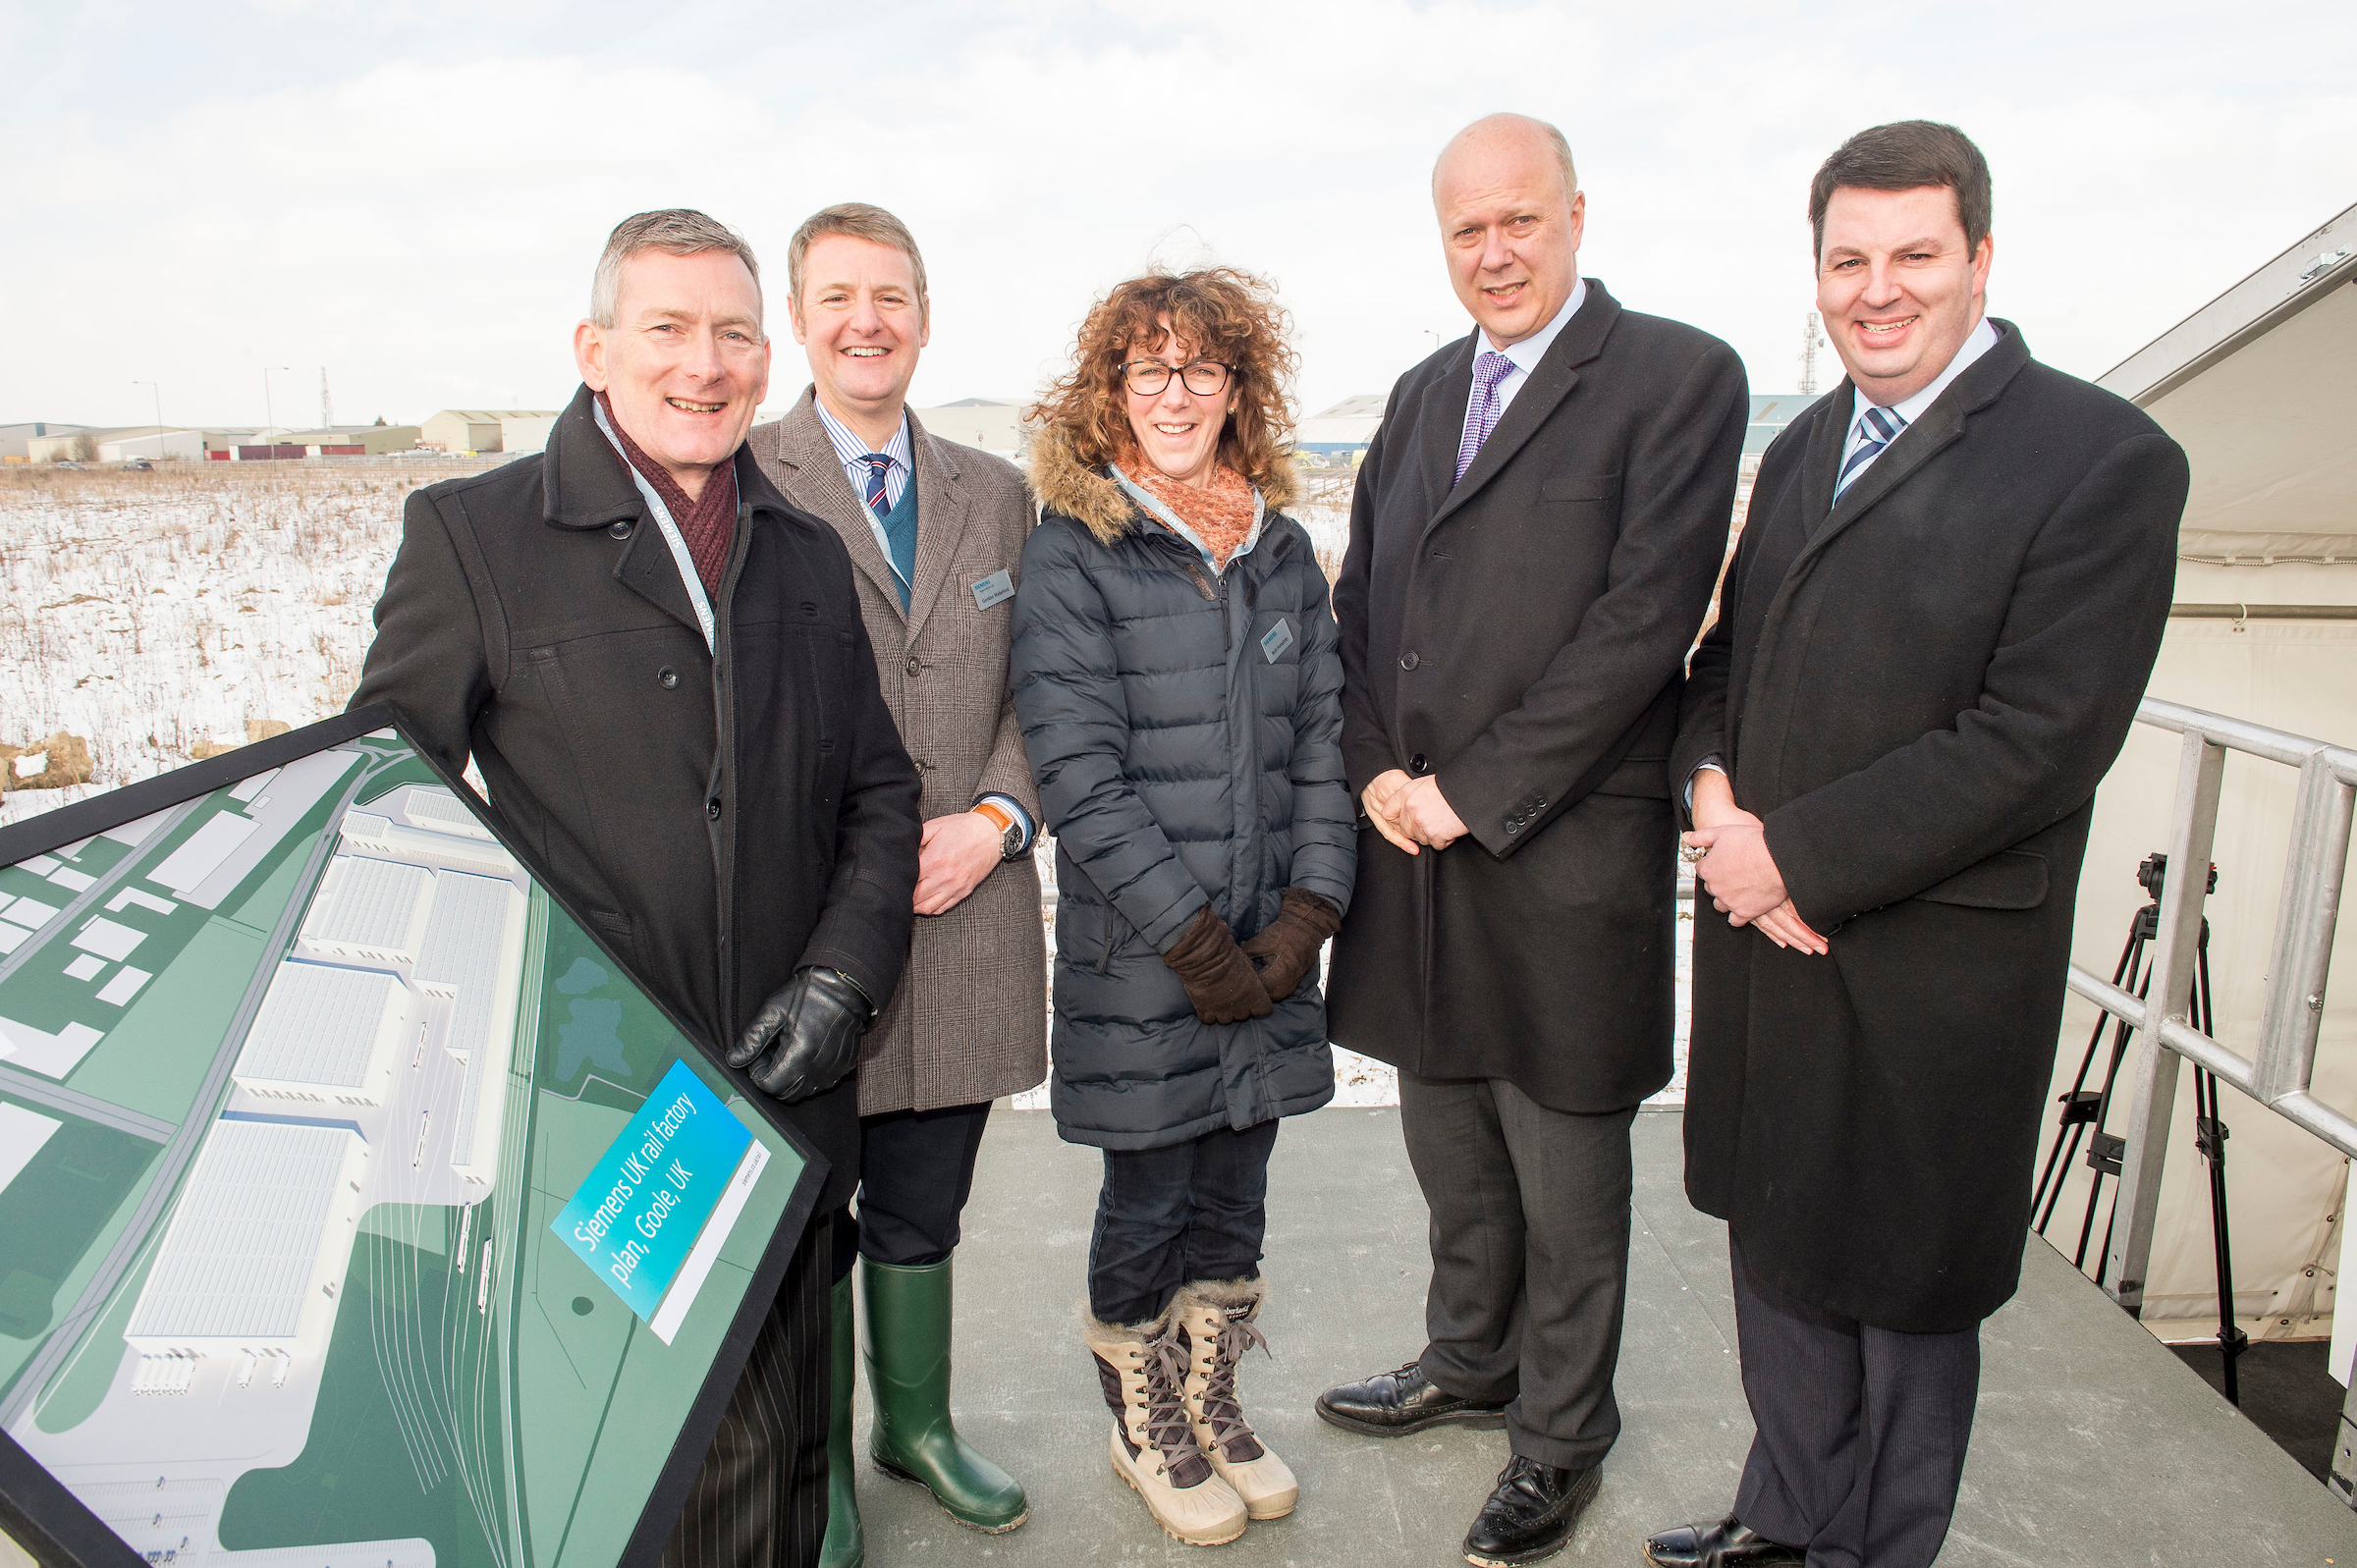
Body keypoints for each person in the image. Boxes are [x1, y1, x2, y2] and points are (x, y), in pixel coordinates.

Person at [1646, 122, 2186, 1568]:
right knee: (1778, 1249)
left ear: (1980, 260)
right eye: (1848, 260)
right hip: (1769, 935)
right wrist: (1712, 797)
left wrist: (1792, 857)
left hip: (1932, 962)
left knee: (1904, 1287)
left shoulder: (2104, 458)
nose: (1877, 290)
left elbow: (2040, 737)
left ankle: (1872, 1550)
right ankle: (1786, 1517)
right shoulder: (1806, 443)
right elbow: (1724, 662)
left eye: (1914, 255)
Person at [351, 209, 921, 1568]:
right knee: (641, 1470)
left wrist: (844, 978)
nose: (704, 364)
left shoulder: (803, 550)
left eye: (733, 332)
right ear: (594, 347)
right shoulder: (476, 537)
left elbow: (879, 793)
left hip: (788, 1094)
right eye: (667, 327)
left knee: (785, 1459)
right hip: (607, 1118)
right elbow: (390, 806)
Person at [1318, 113, 1749, 1567]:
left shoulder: (1678, 377)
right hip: (1417, 847)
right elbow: (1364, 602)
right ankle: (1469, 1358)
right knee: (1448, 1141)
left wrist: (1470, 789)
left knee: (1567, 1177)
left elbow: (1644, 621)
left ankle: (1562, 1433)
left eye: (1519, 220)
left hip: (1555, 850)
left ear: (1576, 214)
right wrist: (1376, 771)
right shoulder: (1422, 392)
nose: (1494, 252)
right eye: (1467, 229)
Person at [1009, 267, 1354, 1548]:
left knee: (1237, 1194)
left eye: (1201, 369)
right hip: (1148, 957)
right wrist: (1198, 943)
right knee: (1150, 1195)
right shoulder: (1074, 550)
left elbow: (1322, 744)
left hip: (1269, 947)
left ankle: (1211, 1398)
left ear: (1236, 389)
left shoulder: (1280, 552)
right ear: (1111, 390)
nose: (1175, 394)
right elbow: (1079, 775)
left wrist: (1308, 913)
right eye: (1148, 370)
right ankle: (1141, 1415)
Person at [746, 201, 1039, 1563]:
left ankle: (914, 1426)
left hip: (968, 910)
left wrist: (999, 815)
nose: (867, 322)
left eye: (892, 297)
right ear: (799, 319)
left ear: (924, 317)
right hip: (811, 923)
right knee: (809, 1217)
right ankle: (815, 1471)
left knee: (925, 1202)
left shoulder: (996, 491)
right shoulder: (744, 474)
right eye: (839, 297)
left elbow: (1046, 686)